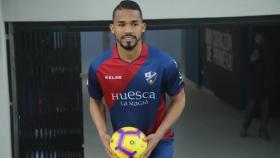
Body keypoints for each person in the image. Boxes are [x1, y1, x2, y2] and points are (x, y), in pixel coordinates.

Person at [87, 0, 186, 157]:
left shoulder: (164, 63)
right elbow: (94, 100)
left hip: (159, 141)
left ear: (143, 27)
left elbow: (179, 99)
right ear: (112, 28)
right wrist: (102, 132)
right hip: (122, 145)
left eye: (134, 24)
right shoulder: (98, 67)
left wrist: (159, 135)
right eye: (121, 24)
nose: (128, 30)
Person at [240, 32, 274, 140]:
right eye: (257, 38)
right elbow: (246, 65)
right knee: (251, 107)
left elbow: (270, 67)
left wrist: (270, 81)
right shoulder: (251, 50)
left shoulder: (267, 50)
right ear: (255, 38)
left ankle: (262, 130)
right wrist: (251, 60)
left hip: (265, 85)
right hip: (254, 84)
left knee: (265, 109)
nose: (259, 40)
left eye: (261, 38)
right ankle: (245, 127)